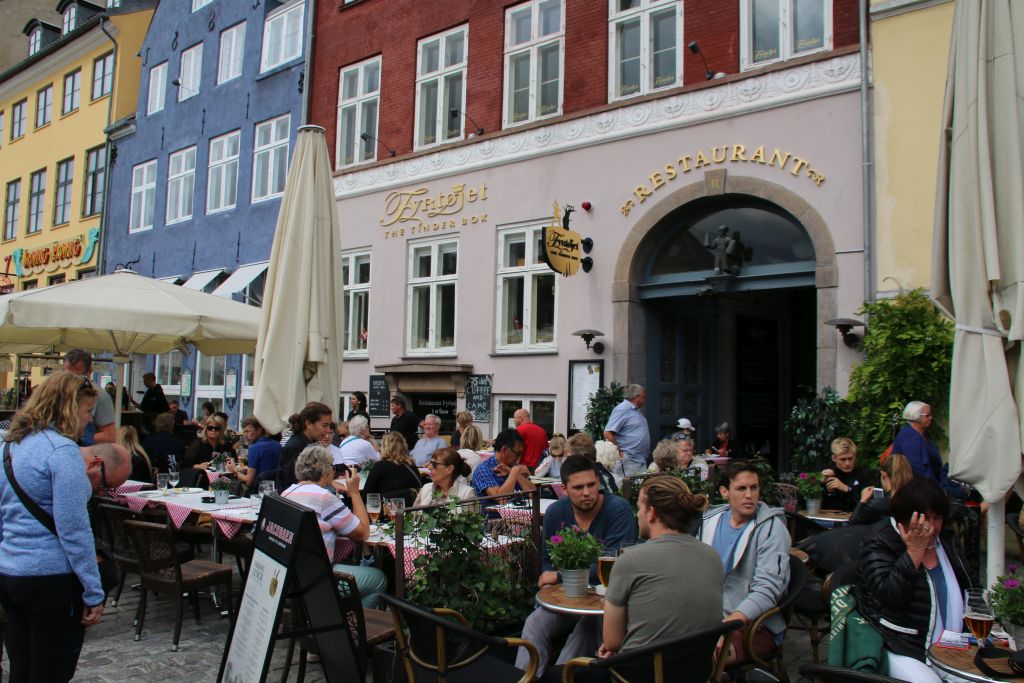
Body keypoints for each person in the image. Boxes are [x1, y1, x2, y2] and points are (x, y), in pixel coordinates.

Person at [0, 372, 128, 681]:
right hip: (51, 579)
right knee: (51, 672)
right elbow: (74, 530)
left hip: (11, 573)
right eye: (87, 411)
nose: (89, 420)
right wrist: (93, 591)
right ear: (68, 407)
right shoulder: (62, 452)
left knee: (21, 668)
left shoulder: (10, 446)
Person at [515, 455, 637, 678]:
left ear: (598, 482)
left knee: (585, 631)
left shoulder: (618, 510)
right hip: (567, 596)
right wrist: (549, 579)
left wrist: (557, 577)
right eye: (578, 487)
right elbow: (547, 559)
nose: (587, 492)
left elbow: (614, 568)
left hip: (605, 602)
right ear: (564, 489)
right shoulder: (556, 512)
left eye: (591, 484)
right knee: (534, 623)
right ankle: (526, 678)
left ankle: (562, 678)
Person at [855, 477, 971, 682]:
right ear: (905, 517)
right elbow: (889, 596)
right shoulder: (880, 540)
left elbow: (971, 586)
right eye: (924, 518)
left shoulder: (945, 541)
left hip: (955, 645)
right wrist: (914, 552)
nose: (931, 527)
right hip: (901, 645)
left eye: (937, 518)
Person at [600, 475, 723, 659]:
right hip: (700, 669)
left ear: (651, 513)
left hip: (641, 670)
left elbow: (612, 642)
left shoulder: (630, 561)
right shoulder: (712, 556)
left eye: (639, 508)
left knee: (562, 672)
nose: (637, 514)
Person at [697, 460, 791, 665]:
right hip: (707, 617)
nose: (749, 495)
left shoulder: (772, 528)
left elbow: (767, 590)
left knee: (701, 659)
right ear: (724, 492)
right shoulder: (710, 521)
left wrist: (723, 627)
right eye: (741, 488)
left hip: (753, 626)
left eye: (754, 488)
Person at [281, 444, 387, 609]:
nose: (334, 471)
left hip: (291, 576)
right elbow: (363, 533)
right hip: (317, 580)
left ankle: (338, 614)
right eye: (333, 467)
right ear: (325, 472)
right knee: (378, 579)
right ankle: (353, 623)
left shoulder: (287, 493)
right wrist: (354, 492)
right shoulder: (323, 497)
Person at [276, 402, 333, 492]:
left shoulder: (306, 442)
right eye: (324, 425)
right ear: (308, 423)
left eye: (329, 426)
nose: (328, 430)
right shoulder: (297, 446)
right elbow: (291, 483)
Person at [62, 349, 116, 445]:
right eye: (67, 375)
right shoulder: (58, 392)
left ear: (89, 372)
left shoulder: (100, 396)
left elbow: (110, 435)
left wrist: (75, 440)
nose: (71, 380)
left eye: (77, 376)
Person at [851, 452, 914, 526]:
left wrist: (863, 500)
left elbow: (853, 522)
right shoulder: (915, 498)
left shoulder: (877, 505)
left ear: (883, 475)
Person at [471, 429, 535, 498]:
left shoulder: (513, 467)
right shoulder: (483, 469)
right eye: (517, 454)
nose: (519, 459)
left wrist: (513, 472)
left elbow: (533, 494)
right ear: (504, 450)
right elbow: (501, 499)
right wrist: (514, 472)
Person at [602, 383, 650, 476]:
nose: (645, 399)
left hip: (639, 460)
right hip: (628, 461)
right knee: (625, 485)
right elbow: (608, 433)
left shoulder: (635, 410)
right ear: (637, 397)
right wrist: (620, 452)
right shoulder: (622, 409)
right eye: (644, 397)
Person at [363, 431, 422, 505]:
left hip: (387, 510)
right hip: (412, 509)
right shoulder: (412, 466)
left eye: (381, 445)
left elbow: (367, 497)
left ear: (385, 448)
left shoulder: (379, 467)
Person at [228, 417, 281, 489]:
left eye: (248, 431)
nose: (245, 435)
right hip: (278, 489)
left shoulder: (254, 448)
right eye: (244, 432)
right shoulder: (278, 445)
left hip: (260, 490)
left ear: (259, 431)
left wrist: (235, 470)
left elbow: (249, 481)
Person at [820, 437, 870, 511]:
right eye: (843, 459)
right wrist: (819, 484)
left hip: (854, 516)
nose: (847, 463)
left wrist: (846, 489)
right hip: (826, 516)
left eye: (850, 458)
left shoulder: (863, 474)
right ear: (834, 458)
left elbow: (868, 505)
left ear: (855, 456)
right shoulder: (827, 473)